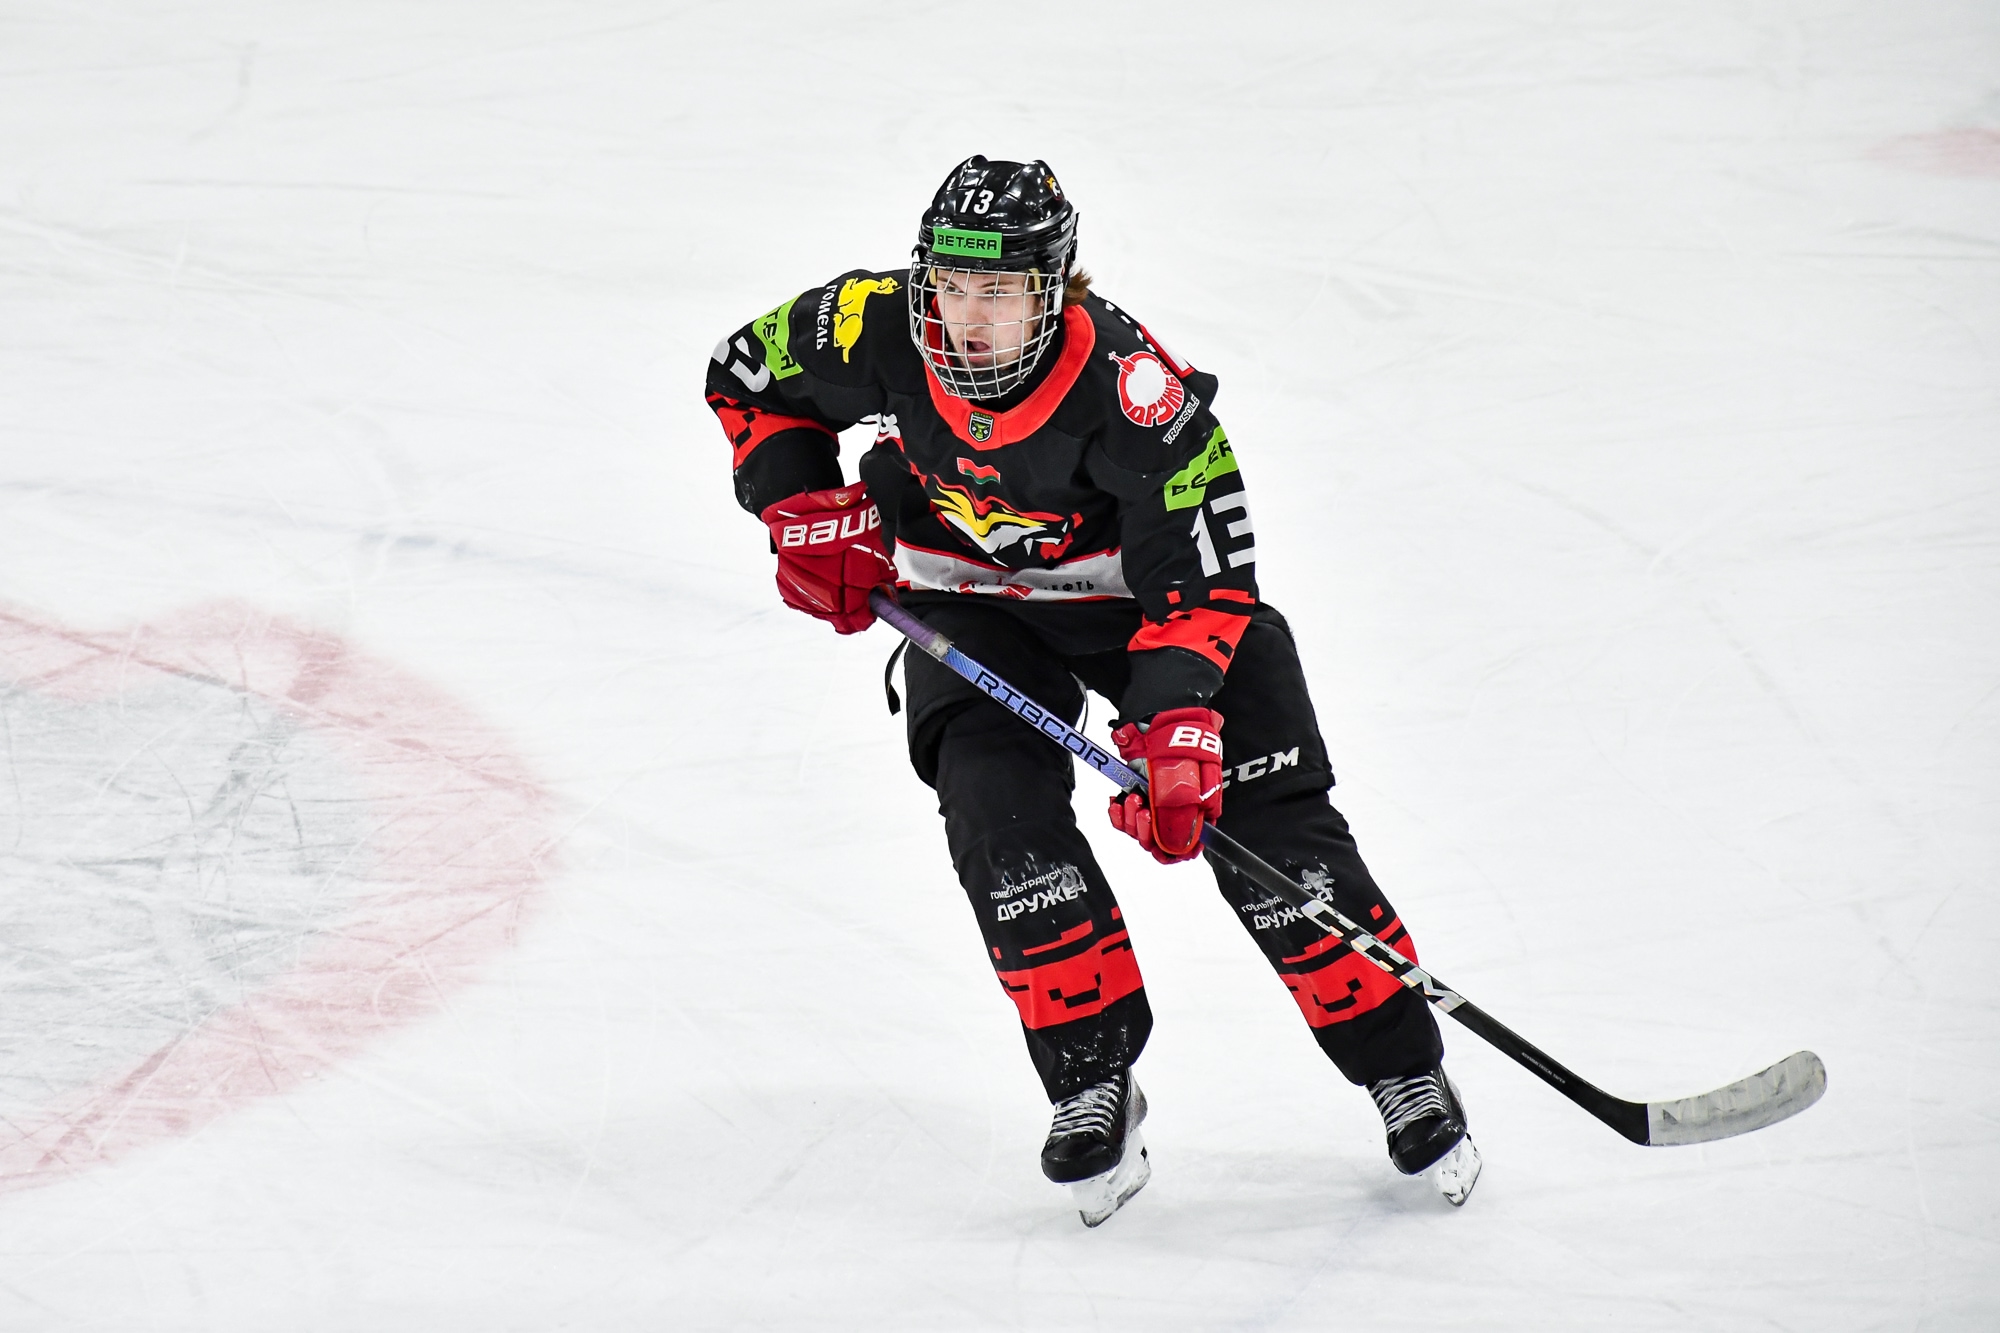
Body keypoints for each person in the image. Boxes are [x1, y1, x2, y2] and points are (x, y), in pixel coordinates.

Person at [705, 156, 1480, 1224]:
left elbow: (1206, 585)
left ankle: (1402, 1065)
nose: (966, 319)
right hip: (966, 599)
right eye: (950, 288)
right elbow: (744, 376)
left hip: (1141, 608)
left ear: (1054, 290)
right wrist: (797, 505)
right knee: (998, 821)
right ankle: (1089, 1076)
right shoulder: (870, 320)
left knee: (1274, 830)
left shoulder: (1134, 393)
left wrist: (1176, 725)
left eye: (999, 291)